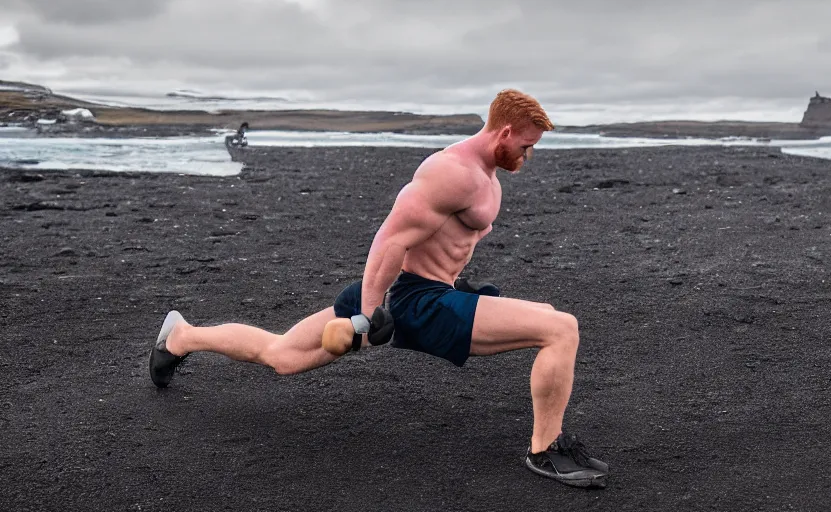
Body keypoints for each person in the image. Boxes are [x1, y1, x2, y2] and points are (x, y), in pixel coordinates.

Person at [148, 89, 610, 489]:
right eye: (526, 146)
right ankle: (545, 449)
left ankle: (180, 337)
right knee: (560, 328)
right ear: (505, 132)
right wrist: (371, 312)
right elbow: (391, 239)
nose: (528, 155)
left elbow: (441, 245)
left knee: (283, 356)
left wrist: (458, 285)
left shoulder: (485, 177)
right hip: (410, 301)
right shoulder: (452, 172)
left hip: (425, 292)